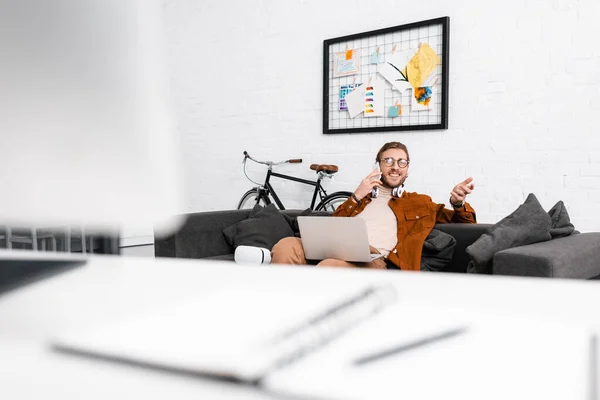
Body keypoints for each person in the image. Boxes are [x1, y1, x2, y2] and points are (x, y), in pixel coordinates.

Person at [271, 141, 477, 271]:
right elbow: (333, 229)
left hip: (372, 260)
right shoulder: (361, 198)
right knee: (286, 245)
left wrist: (458, 203)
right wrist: (356, 196)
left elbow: (465, 222)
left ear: (407, 169)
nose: (395, 166)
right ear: (378, 166)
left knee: (329, 267)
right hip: (338, 248)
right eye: (388, 161)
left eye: (401, 162)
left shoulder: (420, 202)